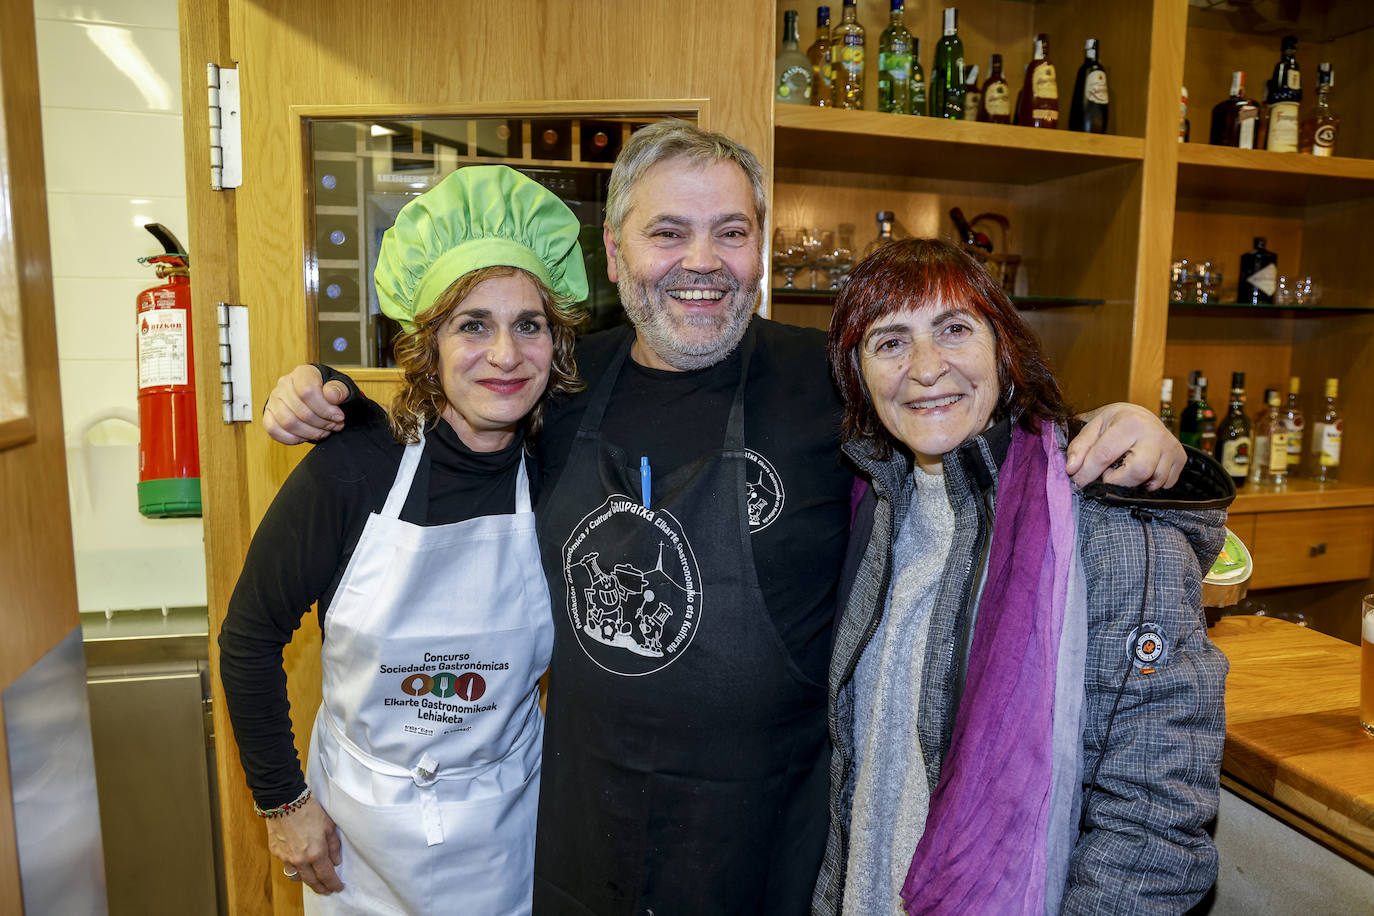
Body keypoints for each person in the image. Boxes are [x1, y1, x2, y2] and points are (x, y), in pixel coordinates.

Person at [260, 121, 1187, 914]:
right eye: (669, 233)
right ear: (617, 255)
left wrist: (1136, 429)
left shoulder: (833, 379)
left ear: (759, 248)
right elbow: (453, 424)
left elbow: (972, 418)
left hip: (772, 845)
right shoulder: (560, 383)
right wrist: (328, 398)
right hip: (586, 838)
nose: (701, 263)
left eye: (730, 232)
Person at [815, 238, 1232, 916]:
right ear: (856, 375)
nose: (925, 369)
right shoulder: (863, 506)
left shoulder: (1109, 532)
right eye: (889, 343)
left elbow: (1153, 827)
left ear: (1004, 352)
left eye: (954, 329)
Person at [219, 165, 587, 914]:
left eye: (529, 324)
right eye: (472, 324)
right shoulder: (357, 467)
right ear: (428, 343)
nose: (506, 355)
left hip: (507, 834)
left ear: (557, 341)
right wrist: (283, 806)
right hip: (355, 844)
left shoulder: (565, 470)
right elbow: (249, 639)